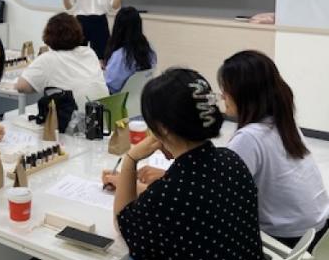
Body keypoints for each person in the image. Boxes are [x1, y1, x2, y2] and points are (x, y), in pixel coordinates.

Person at [111, 68, 264, 260]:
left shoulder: (167, 195)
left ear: (162, 128)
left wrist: (130, 159)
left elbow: (124, 226)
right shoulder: (232, 160)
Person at [219, 50, 329, 251]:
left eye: (226, 89)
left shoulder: (249, 138)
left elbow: (219, 194)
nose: (222, 96)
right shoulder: (284, 123)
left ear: (243, 93)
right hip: (320, 231)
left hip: (290, 240)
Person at [16, 12, 108, 114]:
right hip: (102, 115)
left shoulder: (48, 58)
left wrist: (42, 84)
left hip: (73, 119)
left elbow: (21, 86)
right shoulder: (89, 53)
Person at [104, 6, 156, 93]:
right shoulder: (149, 49)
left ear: (118, 27)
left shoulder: (119, 56)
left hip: (118, 98)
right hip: (140, 96)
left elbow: (110, 84)